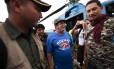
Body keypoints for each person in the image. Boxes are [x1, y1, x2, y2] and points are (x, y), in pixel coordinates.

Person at [0, 0, 51, 69]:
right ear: (16, 6)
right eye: (37, 9)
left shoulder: (34, 34)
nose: (41, 16)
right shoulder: (2, 38)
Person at [84, 0, 114, 69]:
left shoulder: (111, 23)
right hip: (91, 64)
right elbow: (87, 41)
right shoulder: (88, 26)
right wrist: (85, 56)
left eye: (94, 9)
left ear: (101, 8)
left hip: (107, 65)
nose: (91, 13)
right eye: (88, 11)